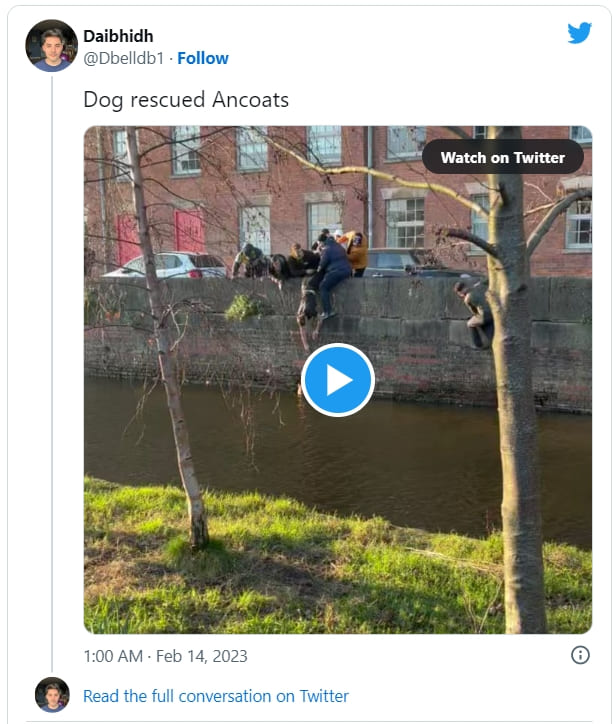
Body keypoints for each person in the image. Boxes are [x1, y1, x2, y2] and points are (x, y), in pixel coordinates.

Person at [315, 233, 352, 319]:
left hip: (337, 271)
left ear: (321, 242)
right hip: (346, 270)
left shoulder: (327, 249)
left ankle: (327, 311)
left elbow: (322, 264)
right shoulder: (338, 245)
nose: (319, 245)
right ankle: (328, 311)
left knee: (323, 287)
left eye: (319, 243)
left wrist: (317, 270)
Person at [454, 279, 494, 349]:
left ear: (460, 292)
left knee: (470, 323)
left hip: (485, 315)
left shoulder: (467, 298)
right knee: (485, 323)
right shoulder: (478, 286)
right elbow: (486, 280)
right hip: (493, 312)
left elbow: (474, 312)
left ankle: (478, 344)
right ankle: (491, 340)